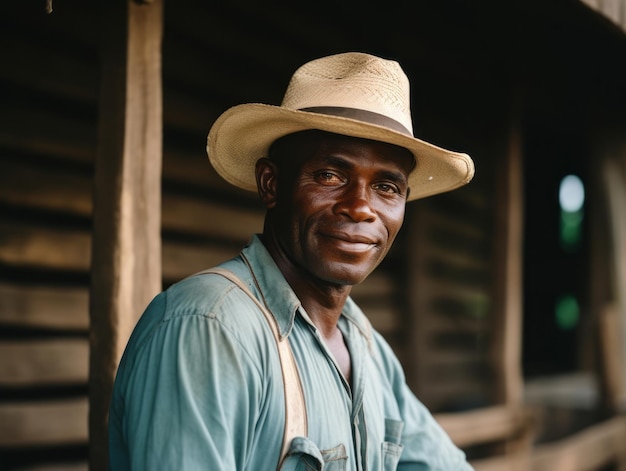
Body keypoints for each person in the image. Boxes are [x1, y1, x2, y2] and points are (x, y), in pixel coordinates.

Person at [108, 52, 475, 470]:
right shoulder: (210, 328)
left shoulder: (363, 344)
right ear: (271, 184)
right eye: (329, 176)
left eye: (387, 187)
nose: (360, 208)